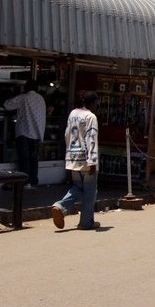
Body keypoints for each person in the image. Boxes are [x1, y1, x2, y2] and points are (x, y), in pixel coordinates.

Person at [51, 91, 100, 230]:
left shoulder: (73, 114)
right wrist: (92, 161)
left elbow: (67, 134)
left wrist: (69, 154)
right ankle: (86, 222)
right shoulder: (91, 116)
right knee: (90, 192)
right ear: (91, 103)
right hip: (86, 159)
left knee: (78, 187)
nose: (97, 105)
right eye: (96, 102)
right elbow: (91, 138)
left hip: (73, 157)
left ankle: (61, 206)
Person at [2, 79, 46, 189]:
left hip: (24, 132)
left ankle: (25, 182)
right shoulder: (41, 99)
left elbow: (7, 105)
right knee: (34, 159)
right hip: (37, 133)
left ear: (26, 88)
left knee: (24, 159)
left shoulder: (23, 98)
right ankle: (34, 182)